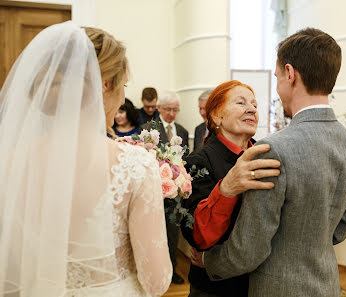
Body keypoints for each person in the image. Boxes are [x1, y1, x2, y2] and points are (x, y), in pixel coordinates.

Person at [192, 28, 346, 297]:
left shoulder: (273, 149)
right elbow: (339, 231)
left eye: (276, 77)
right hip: (327, 286)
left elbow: (250, 249)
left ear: (290, 73)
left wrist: (207, 261)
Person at [0, 22, 172, 297]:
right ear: (105, 84)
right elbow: (157, 281)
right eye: (123, 85)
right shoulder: (134, 165)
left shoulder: (10, 162)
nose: (123, 97)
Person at [181, 80, 281, 297]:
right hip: (217, 287)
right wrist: (227, 188)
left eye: (254, 104)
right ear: (216, 116)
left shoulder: (269, 155)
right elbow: (199, 236)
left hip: (264, 282)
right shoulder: (198, 161)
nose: (252, 109)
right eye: (241, 102)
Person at [148, 90, 189, 284]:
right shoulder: (149, 128)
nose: (171, 113)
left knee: (173, 233)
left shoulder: (182, 130)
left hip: (175, 193)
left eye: (175, 110)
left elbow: (184, 161)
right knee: (154, 233)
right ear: (159, 109)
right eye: (168, 109)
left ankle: (172, 272)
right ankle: (154, 272)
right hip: (153, 191)